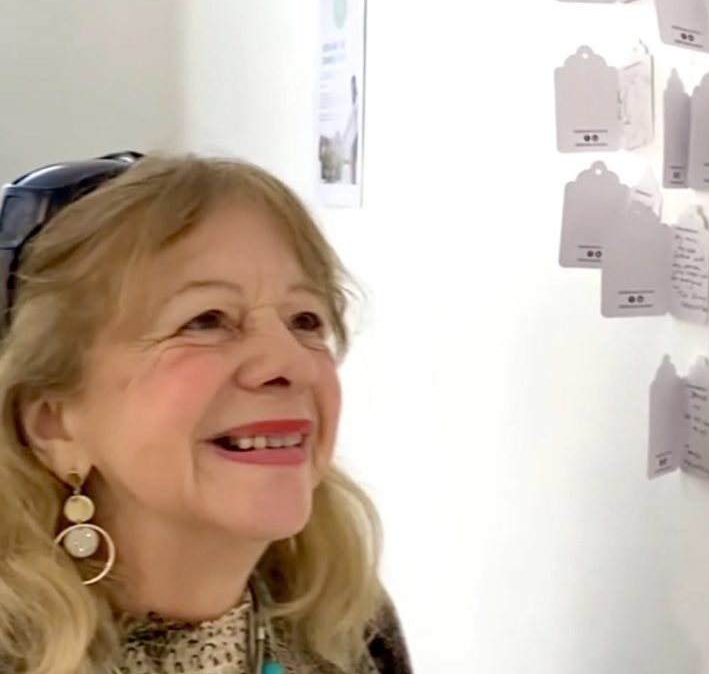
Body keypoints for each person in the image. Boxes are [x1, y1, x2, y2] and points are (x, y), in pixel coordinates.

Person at [0, 152, 412, 674]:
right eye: (206, 320)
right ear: (52, 423)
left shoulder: (347, 624)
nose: (290, 364)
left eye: (305, 320)